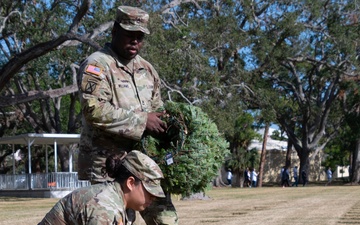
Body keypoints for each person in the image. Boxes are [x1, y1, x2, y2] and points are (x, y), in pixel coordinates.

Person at [77, 6, 178, 225]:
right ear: (114, 31)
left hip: (144, 163)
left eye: (140, 36)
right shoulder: (97, 64)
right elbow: (94, 110)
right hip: (107, 165)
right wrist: (143, 121)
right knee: (117, 220)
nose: (135, 41)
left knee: (165, 219)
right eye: (129, 34)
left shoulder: (147, 70)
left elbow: (157, 112)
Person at [38, 150, 165, 225]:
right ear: (130, 183)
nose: (153, 197)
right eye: (149, 191)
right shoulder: (104, 207)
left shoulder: (125, 207)